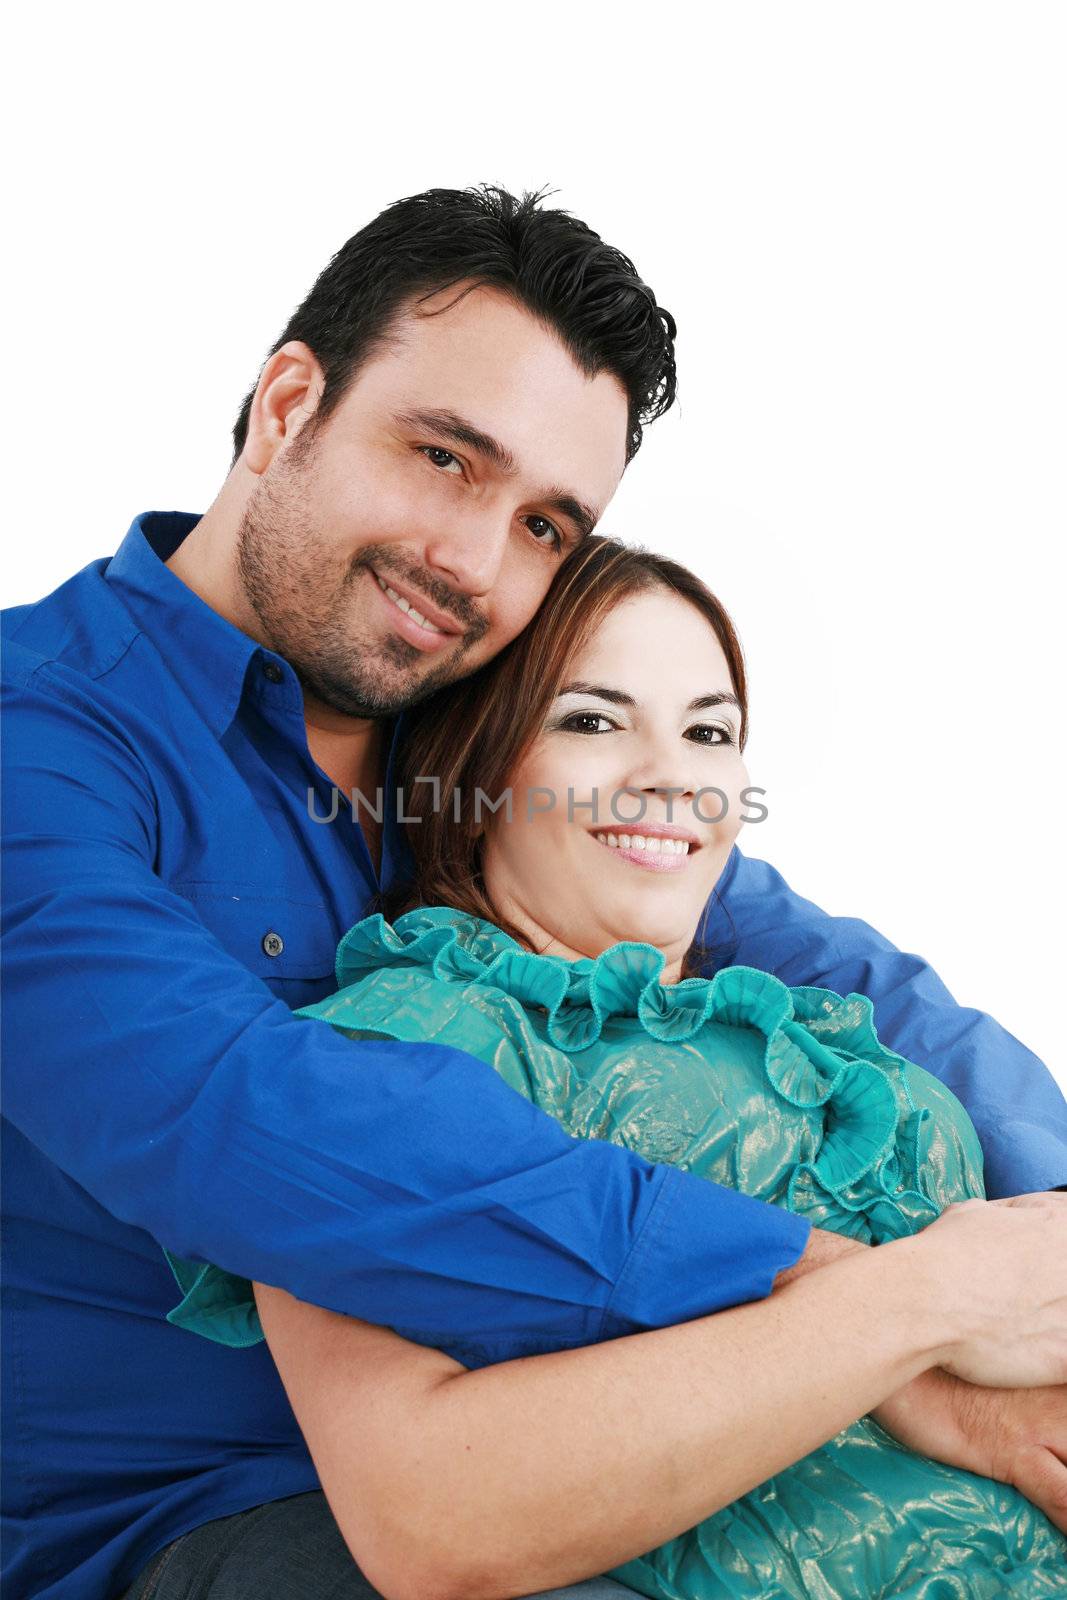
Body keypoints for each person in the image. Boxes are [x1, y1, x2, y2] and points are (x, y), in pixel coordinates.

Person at [2, 185, 1064, 1600]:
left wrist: (1039, 1241)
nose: (472, 565)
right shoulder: (40, 746)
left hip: (593, 1422)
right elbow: (254, 1125)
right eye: (442, 457)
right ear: (285, 404)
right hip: (206, 1514)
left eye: (545, 525)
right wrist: (860, 1303)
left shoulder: (460, 737)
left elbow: (841, 976)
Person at [163, 538, 1067, 1599]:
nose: (668, 775)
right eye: (591, 720)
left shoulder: (819, 1026)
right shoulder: (393, 1045)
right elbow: (430, 1511)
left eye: (707, 731)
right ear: (476, 764)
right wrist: (925, 1301)